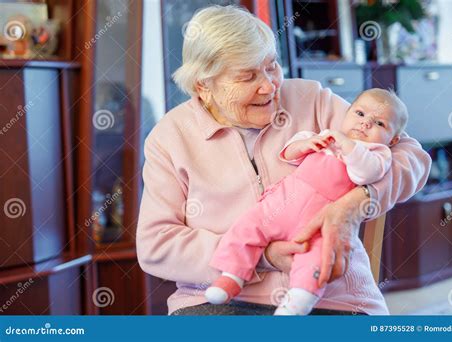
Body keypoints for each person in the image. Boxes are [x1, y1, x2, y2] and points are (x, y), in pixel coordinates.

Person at [136, 5, 431, 315]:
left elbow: (413, 157)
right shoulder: (169, 137)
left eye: (272, 65)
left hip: (334, 294)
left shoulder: (311, 99)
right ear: (203, 85)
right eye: (248, 76)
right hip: (218, 299)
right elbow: (157, 246)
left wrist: (356, 203)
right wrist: (261, 255)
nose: (270, 85)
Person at [205, 88, 410, 315]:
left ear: (393, 139)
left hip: (319, 219)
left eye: (379, 124)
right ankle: (231, 276)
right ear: (347, 113)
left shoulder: (376, 152)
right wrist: (306, 144)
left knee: (319, 255)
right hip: (282, 203)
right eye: (360, 114)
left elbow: (366, 174)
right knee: (247, 226)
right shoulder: (323, 135)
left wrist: (347, 144)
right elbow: (288, 153)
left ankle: (299, 300)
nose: (365, 124)